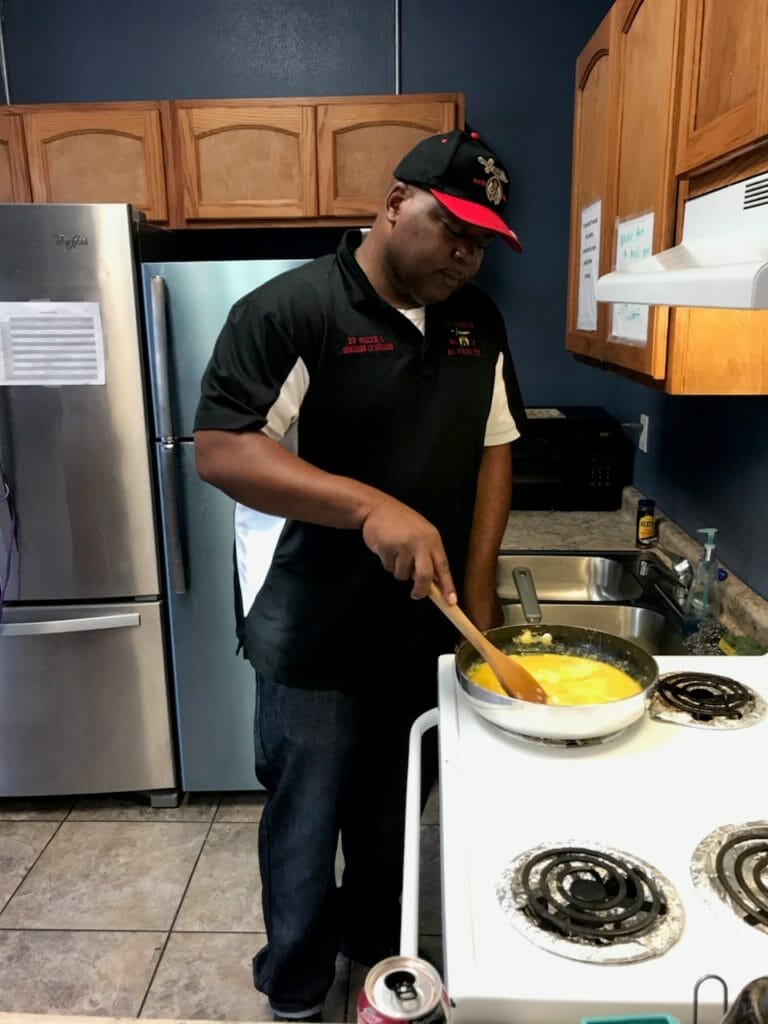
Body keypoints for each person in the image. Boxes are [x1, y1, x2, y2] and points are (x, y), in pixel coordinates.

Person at [193, 127, 526, 1022]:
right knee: (306, 824)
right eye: (449, 226)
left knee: (390, 821)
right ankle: (297, 988)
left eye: (482, 238)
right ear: (391, 204)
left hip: (425, 625)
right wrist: (371, 506)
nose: (466, 253)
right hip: (313, 624)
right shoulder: (292, 311)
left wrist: (483, 586)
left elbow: (496, 446)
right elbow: (223, 451)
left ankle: (376, 957)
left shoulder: (476, 320)